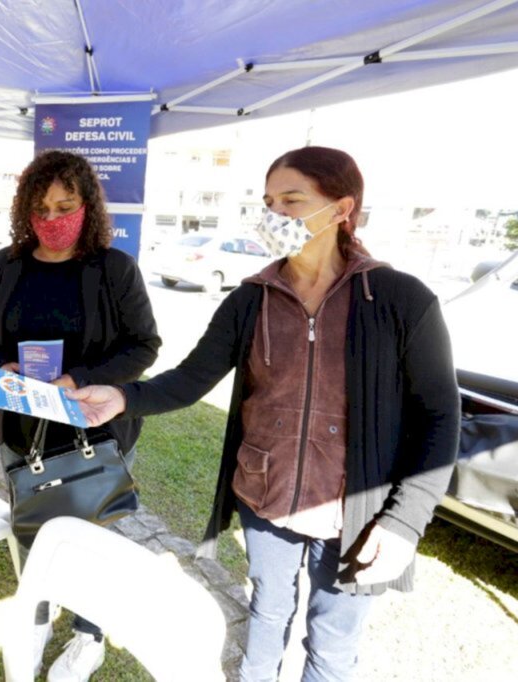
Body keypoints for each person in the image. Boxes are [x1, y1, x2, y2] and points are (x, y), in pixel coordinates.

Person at [71, 146, 460, 681]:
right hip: (265, 494)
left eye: (291, 200)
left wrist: (402, 524)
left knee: (332, 643)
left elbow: (440, 417)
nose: (274, 216)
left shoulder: (399, 300)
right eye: (269, 202)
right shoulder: (250, 300)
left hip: (359, 510)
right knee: (267, 611)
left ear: (342, 208)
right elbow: (189, 379)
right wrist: (123, 397)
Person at [0, 150, 161, 681]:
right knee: (32, 525)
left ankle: (87, 634)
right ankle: (38, 615)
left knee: (95, 532)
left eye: (65, 205)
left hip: (94, 430)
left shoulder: (114, 269)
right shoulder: (6, 265)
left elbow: (144, 346)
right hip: (22, 428)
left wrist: (77, 377)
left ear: (87, 206)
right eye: (41, 208)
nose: (52, 220)